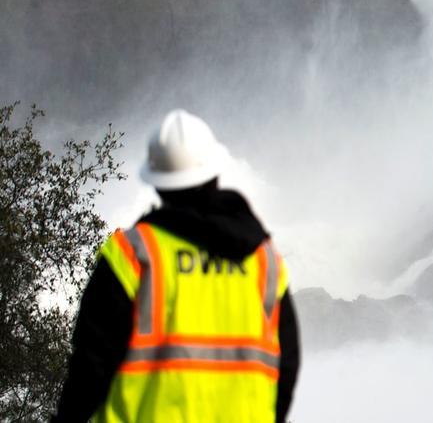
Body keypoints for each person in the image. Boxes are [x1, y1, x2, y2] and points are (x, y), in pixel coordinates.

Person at [52, 109, 301, 423]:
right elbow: (287, 363)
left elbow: (91, 366)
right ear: (214, 173)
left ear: (157, 183)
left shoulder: (134, 255)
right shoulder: (264, 260)